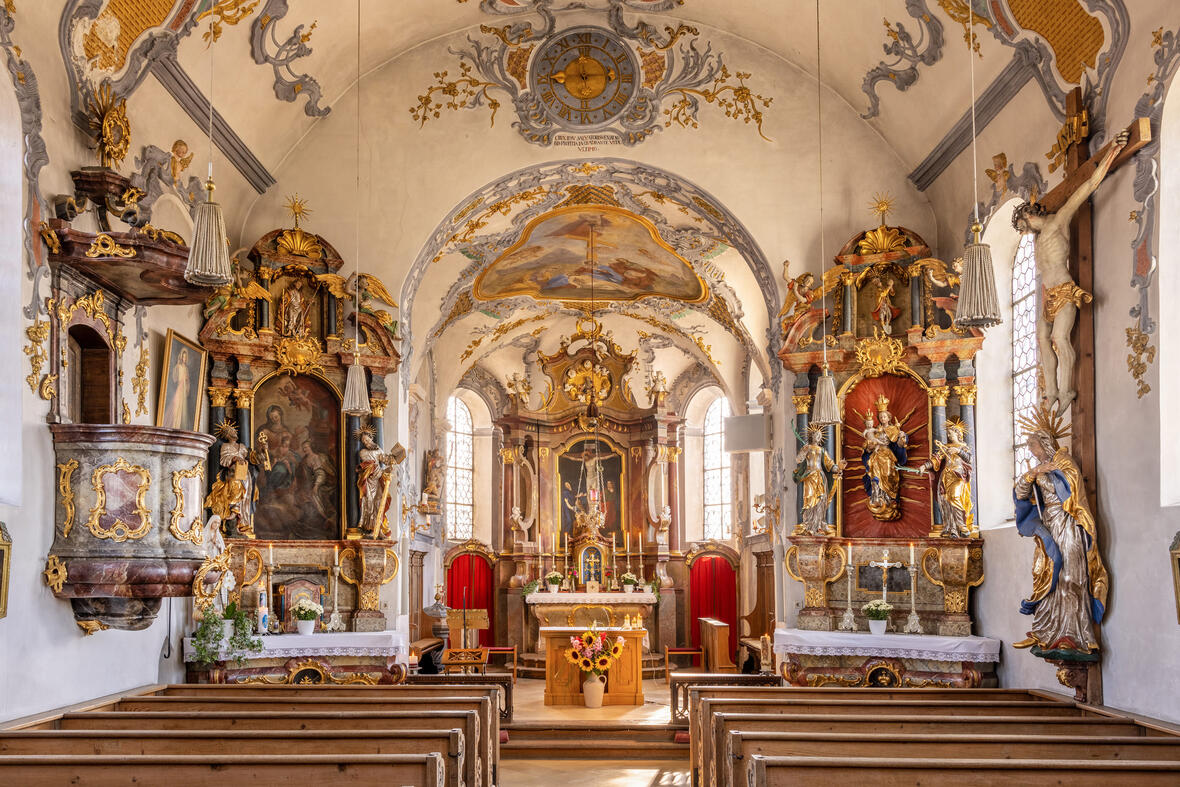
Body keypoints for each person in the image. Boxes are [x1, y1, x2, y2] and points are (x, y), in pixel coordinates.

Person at [1011, 130, 1127, 411]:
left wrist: (1111, 152)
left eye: (1022, 228)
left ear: (1028, 216)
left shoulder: (1058, 221)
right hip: (1048, 294)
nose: (1024, 234)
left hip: (1063, 287)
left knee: (1060, 338)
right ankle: (1050, 391)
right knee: (1042, 339)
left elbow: (1086, 187)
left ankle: (1066, 391)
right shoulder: (1037, 240)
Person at [1013, 405, 1108, 655]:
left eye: (1032, 445)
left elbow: (1072, 485)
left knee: (1071, 575)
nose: (1030, 451)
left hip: (1068, 522)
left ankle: (1075, 634)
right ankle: (1048, 630)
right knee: (1046, 574)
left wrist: (1052, 472)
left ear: (1044, 443)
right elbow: (1021, 493)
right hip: (1048, 526)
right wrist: (1034, 472)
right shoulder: (1036, 469)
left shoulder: (1063, 461)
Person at [920, 420, 975, 537]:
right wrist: (924, 466)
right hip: (946, 477)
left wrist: (958, 451)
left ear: (958, 434)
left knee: (955, 496)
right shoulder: (945, 447)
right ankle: (952, 528)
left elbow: (969, 460)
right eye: (948, 434)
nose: (949, 436)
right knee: (945, 501)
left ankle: (962, 525)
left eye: (951, 433)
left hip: (958, 476)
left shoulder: (963, 447)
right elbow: (936, 459)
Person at [861, 397, 908, 521]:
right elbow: (868, 444)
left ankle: (889, 498)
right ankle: (877, 497)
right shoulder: (875, 430)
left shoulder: (893, 429)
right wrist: (869, 447)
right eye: (880, 417)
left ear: (889, 417)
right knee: (874, 475)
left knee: (888, 475)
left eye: (884, 416)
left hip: (887, 455)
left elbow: (899, 442)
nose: (882, 419)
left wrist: (902, 440)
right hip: (877, 455)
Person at [793, 425, 845, 535]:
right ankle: (808, 525)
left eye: (819, 435)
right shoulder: (807, 448)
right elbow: (798, 460)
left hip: (820, 477)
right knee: (810, 500)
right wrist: (803, 451)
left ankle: (819, 524)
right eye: (815, 435)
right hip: (809, 476)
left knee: (821, 500)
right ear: (811, 436)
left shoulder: (822, 450)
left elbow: (830, 465)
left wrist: (839, 467)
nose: (817, 437)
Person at [164, 347, 192, 429]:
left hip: (183, 389)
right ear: (181, 357)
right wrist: (184, 379)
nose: (184, 359)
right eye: (183, 357)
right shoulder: (178, 367)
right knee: (176, 406)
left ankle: (179, 426)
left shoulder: (186, 368)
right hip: (180, 389)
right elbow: (178, 379)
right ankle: (174, 425)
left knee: (183, 408)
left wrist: (187, 381)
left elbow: (187, 381)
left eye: (185, 357)